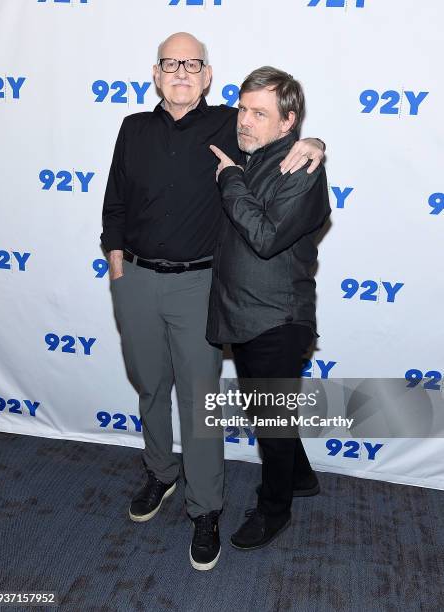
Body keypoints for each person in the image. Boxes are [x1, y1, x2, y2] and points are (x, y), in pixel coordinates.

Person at [101, 32, 325, 571]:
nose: (180, 71)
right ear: (156, 74)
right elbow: (115, 199)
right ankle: (160, 473)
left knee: (199, 403)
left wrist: (317, 145)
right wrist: (114, 254)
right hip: (135, 279)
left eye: (192, 64)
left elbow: (283, 131)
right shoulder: (132, 129)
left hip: (198, 286)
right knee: (149, 386)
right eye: (170, 63)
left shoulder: (231, 123)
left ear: (207, 77)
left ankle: (206, 509)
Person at [206, 66, 331, 550]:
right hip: (248, 313)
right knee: (268, 414)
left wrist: (231, 180)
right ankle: (300, 477)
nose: (244, 120)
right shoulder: (255, 154)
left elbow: (263, 238)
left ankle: (274, 510)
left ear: (288, 123)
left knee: (272, 422)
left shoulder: (299, 167)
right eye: (242, 108)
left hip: (278, 317)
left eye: (259, 113)